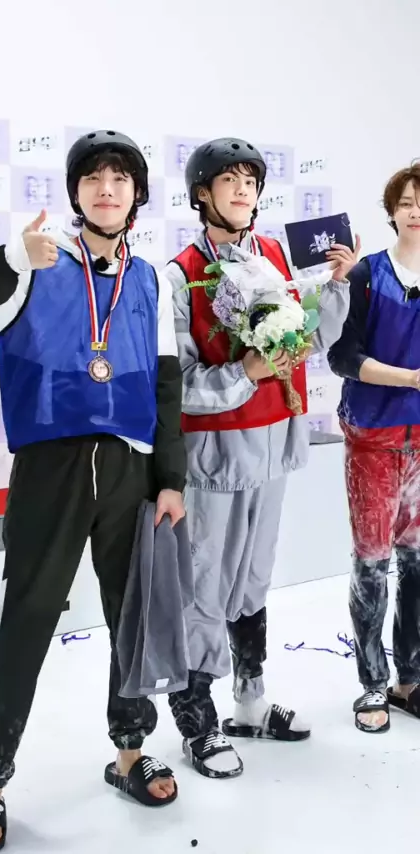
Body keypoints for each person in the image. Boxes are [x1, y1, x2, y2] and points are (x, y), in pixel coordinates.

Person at [0, 129, 186, 852]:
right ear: (76, 192)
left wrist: (170, 479)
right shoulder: (36, 261)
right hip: (51, 468)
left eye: (120, 178)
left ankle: (131, 750)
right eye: (94, 178)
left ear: (137, 194)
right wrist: (12, 259)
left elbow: (165, 384)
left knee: (132, 615)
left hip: (130, 470)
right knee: (25, 618)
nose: (107, 189)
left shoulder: (151, 278)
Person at [162, 137, 359, 779]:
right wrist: (244, 371)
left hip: (276, 442)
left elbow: (311, 341)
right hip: (217, 454)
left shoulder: (275, 254)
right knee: (205, 583)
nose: (243, 190)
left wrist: (337, 286)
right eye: (229, 180)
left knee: (253, 576)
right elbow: (175, 385)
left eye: (250, 180)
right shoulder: (180, 273)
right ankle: (197, 720)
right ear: (202, 193)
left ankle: (249, 701)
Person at [328, 163, 420, 734]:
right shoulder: (367, 274)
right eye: (407, 202)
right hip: (374, 436)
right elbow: (343, 356)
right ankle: (371, 683)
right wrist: (409, 379)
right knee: (372, 563)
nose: (416, 211)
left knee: (417, 562)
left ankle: (410, 677)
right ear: (392, 211)